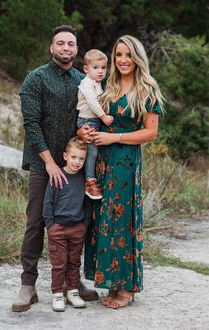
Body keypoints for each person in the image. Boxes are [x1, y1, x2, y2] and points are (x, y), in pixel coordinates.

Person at [11, 25, 98, 313]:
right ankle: (28, 284)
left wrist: (84, 130)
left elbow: (85, 115)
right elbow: (31, 124)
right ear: (51, 48)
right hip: (42, 164)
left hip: (74, 166)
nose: (65, 48)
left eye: (70, 44)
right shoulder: (36, 78)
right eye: (60, 43)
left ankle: (73, 282)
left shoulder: (82, 80)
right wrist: (49, 163)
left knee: (76, 222)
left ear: (76, 49)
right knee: (36, 221)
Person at [84, 35, 164, 309]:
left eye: (127, 54)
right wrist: (89, 132)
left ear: (137, 57)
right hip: (103, 160)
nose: (122, 60)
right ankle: (112, 284)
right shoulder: (109, 86)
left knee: (123, 220)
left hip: (126, 162)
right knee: (104, 219)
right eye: (118, 54)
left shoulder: (148, 89)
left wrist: (114, 139)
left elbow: (150, 132)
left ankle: (128, 288)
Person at [43, 136, 90, 312]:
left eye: (81, 158)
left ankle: (72, 291)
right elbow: (48, 203)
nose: (77, 162)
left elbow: (87, 203)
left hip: (77, 228)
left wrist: (84, 225)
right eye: (73, 157)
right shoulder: (57, 175)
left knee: (74, 262)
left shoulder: (83, 178)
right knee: (59, 263)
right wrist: (51, 226)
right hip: (58, 228)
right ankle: (57, 294)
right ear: (65, 156)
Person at [76, 49, 113, 200]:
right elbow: (92, 102)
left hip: (94, 120)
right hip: (87, 121)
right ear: (86, 69)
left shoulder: (97, 84)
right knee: (92, 152)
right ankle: (90, 181)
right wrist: (104, 116)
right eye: (96, 68)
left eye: (103, 68)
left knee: (96, 152)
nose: (100, 71)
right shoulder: (86, 84)